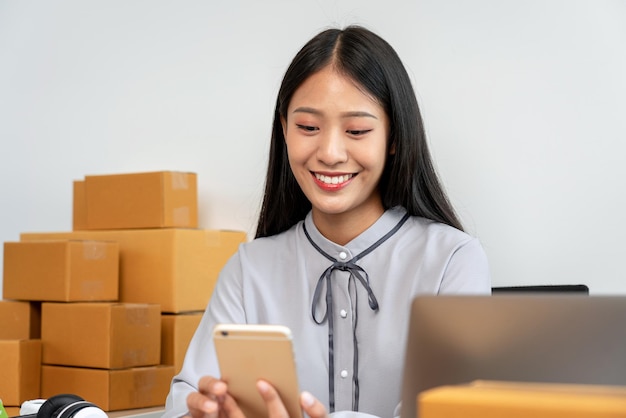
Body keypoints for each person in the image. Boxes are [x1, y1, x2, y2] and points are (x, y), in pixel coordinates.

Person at [163, 25, 491, 418]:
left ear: (394, 137)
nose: (331, 153)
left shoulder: (452, 260)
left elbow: (450, 411)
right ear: (284, 129)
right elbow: (185, 398)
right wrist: (201, 412)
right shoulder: (249, 268)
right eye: (307, 128)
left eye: (356, 130)